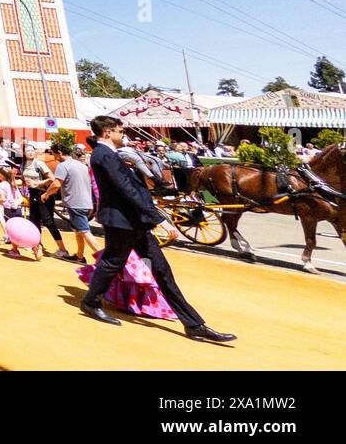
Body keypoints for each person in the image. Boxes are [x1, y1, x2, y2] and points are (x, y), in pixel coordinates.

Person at [79, 115, 235, 342]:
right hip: (121, 221)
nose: (124, 135)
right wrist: (158, 218)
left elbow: (133, 187)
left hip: (134, 221)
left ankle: (193, 324)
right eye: (120, 131)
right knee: (112, 262)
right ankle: (90, 302)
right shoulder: (103, 155)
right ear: (107, 133)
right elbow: (126, 190)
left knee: (160, 270)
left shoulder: (110, 155)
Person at [47, 144, 98, 263]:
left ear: (59, 152)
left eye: (54, 154)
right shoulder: (82, 165)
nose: (54, 157)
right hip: (86, 202)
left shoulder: (63, 166)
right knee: (78, 230)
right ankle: (80, 256)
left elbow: (56, 184)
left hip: (75, 203)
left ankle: (104, 259)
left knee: (85, 231)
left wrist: (46, 194)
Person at [21, 144, 73, 259]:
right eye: (27, 151)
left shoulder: (38, 164)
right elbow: (25, 180)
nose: (30, 152)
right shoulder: (23, 165)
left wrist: (38, 183)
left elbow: (52, 179)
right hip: (32, 194)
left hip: (43, 194)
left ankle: (63, 249)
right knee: (34, 220)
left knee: (48, 221)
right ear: (24, 153)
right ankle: (36, 245)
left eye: (32, 150)